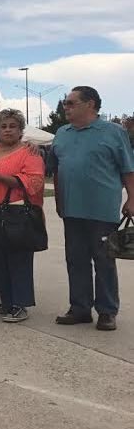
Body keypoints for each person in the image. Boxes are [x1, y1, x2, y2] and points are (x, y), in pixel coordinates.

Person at [50, 86, 134, 331]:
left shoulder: (113, 132)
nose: (65, 107)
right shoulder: (62, 133)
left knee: (104, 260)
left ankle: (107, 311)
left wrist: (131, 199)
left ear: (90, 104)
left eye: (71, 103)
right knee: (75, 260)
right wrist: (58, 200)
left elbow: (128, 169)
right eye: (66, 103)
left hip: (102, 210)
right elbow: (55, 169)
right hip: (71, 209)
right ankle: (80, 308)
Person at [0, 109, 45, 323]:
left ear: (21, 129)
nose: (7, 130)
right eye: (3, 126)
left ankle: (20, 304)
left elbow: (35, 181)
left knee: (18, 259)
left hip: (15, 214)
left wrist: (6, 179)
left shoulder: (29, 151)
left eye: (12, 126)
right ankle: (6, 301)